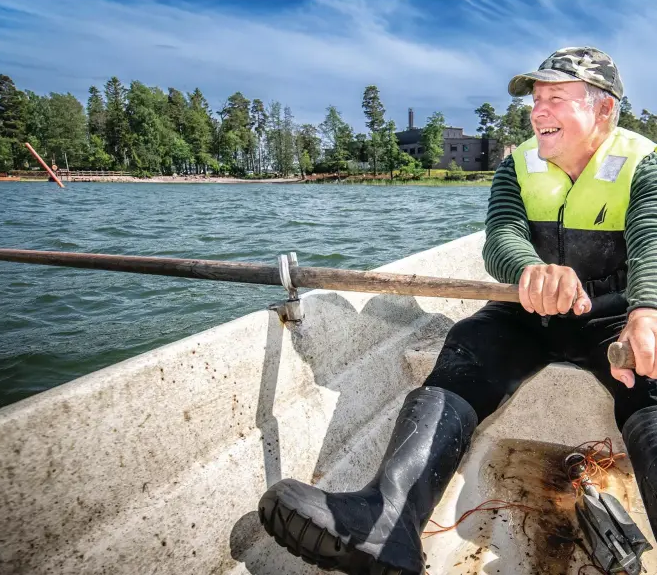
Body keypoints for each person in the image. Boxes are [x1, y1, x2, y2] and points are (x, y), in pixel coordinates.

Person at [257, 47, 657, 575]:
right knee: (468, 349)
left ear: (604, 109)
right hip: (526, 311)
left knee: (650, 385)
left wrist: (647, 310)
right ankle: (387, 521)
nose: (538, 111)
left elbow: (651, 236)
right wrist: (529, 271)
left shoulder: (644, 162)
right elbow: (501, 238)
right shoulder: (517, 164)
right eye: (536, 100)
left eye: (555, 98)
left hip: (615, 313)